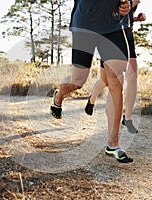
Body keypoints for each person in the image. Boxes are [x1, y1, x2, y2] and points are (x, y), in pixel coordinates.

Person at [50, 0, 133, 163]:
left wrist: (127, 4)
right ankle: (59, 96)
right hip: (85, 25)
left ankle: (113, 144)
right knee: (78, 80)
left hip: (113, 26)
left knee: (116, 82)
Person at [85, 0, 146, 134]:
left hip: (127, 36)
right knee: (105, 81)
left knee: (132, 75)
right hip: (111, 37)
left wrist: (136, 19)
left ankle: (127, 118)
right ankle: (92, 99)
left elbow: (125, 16)